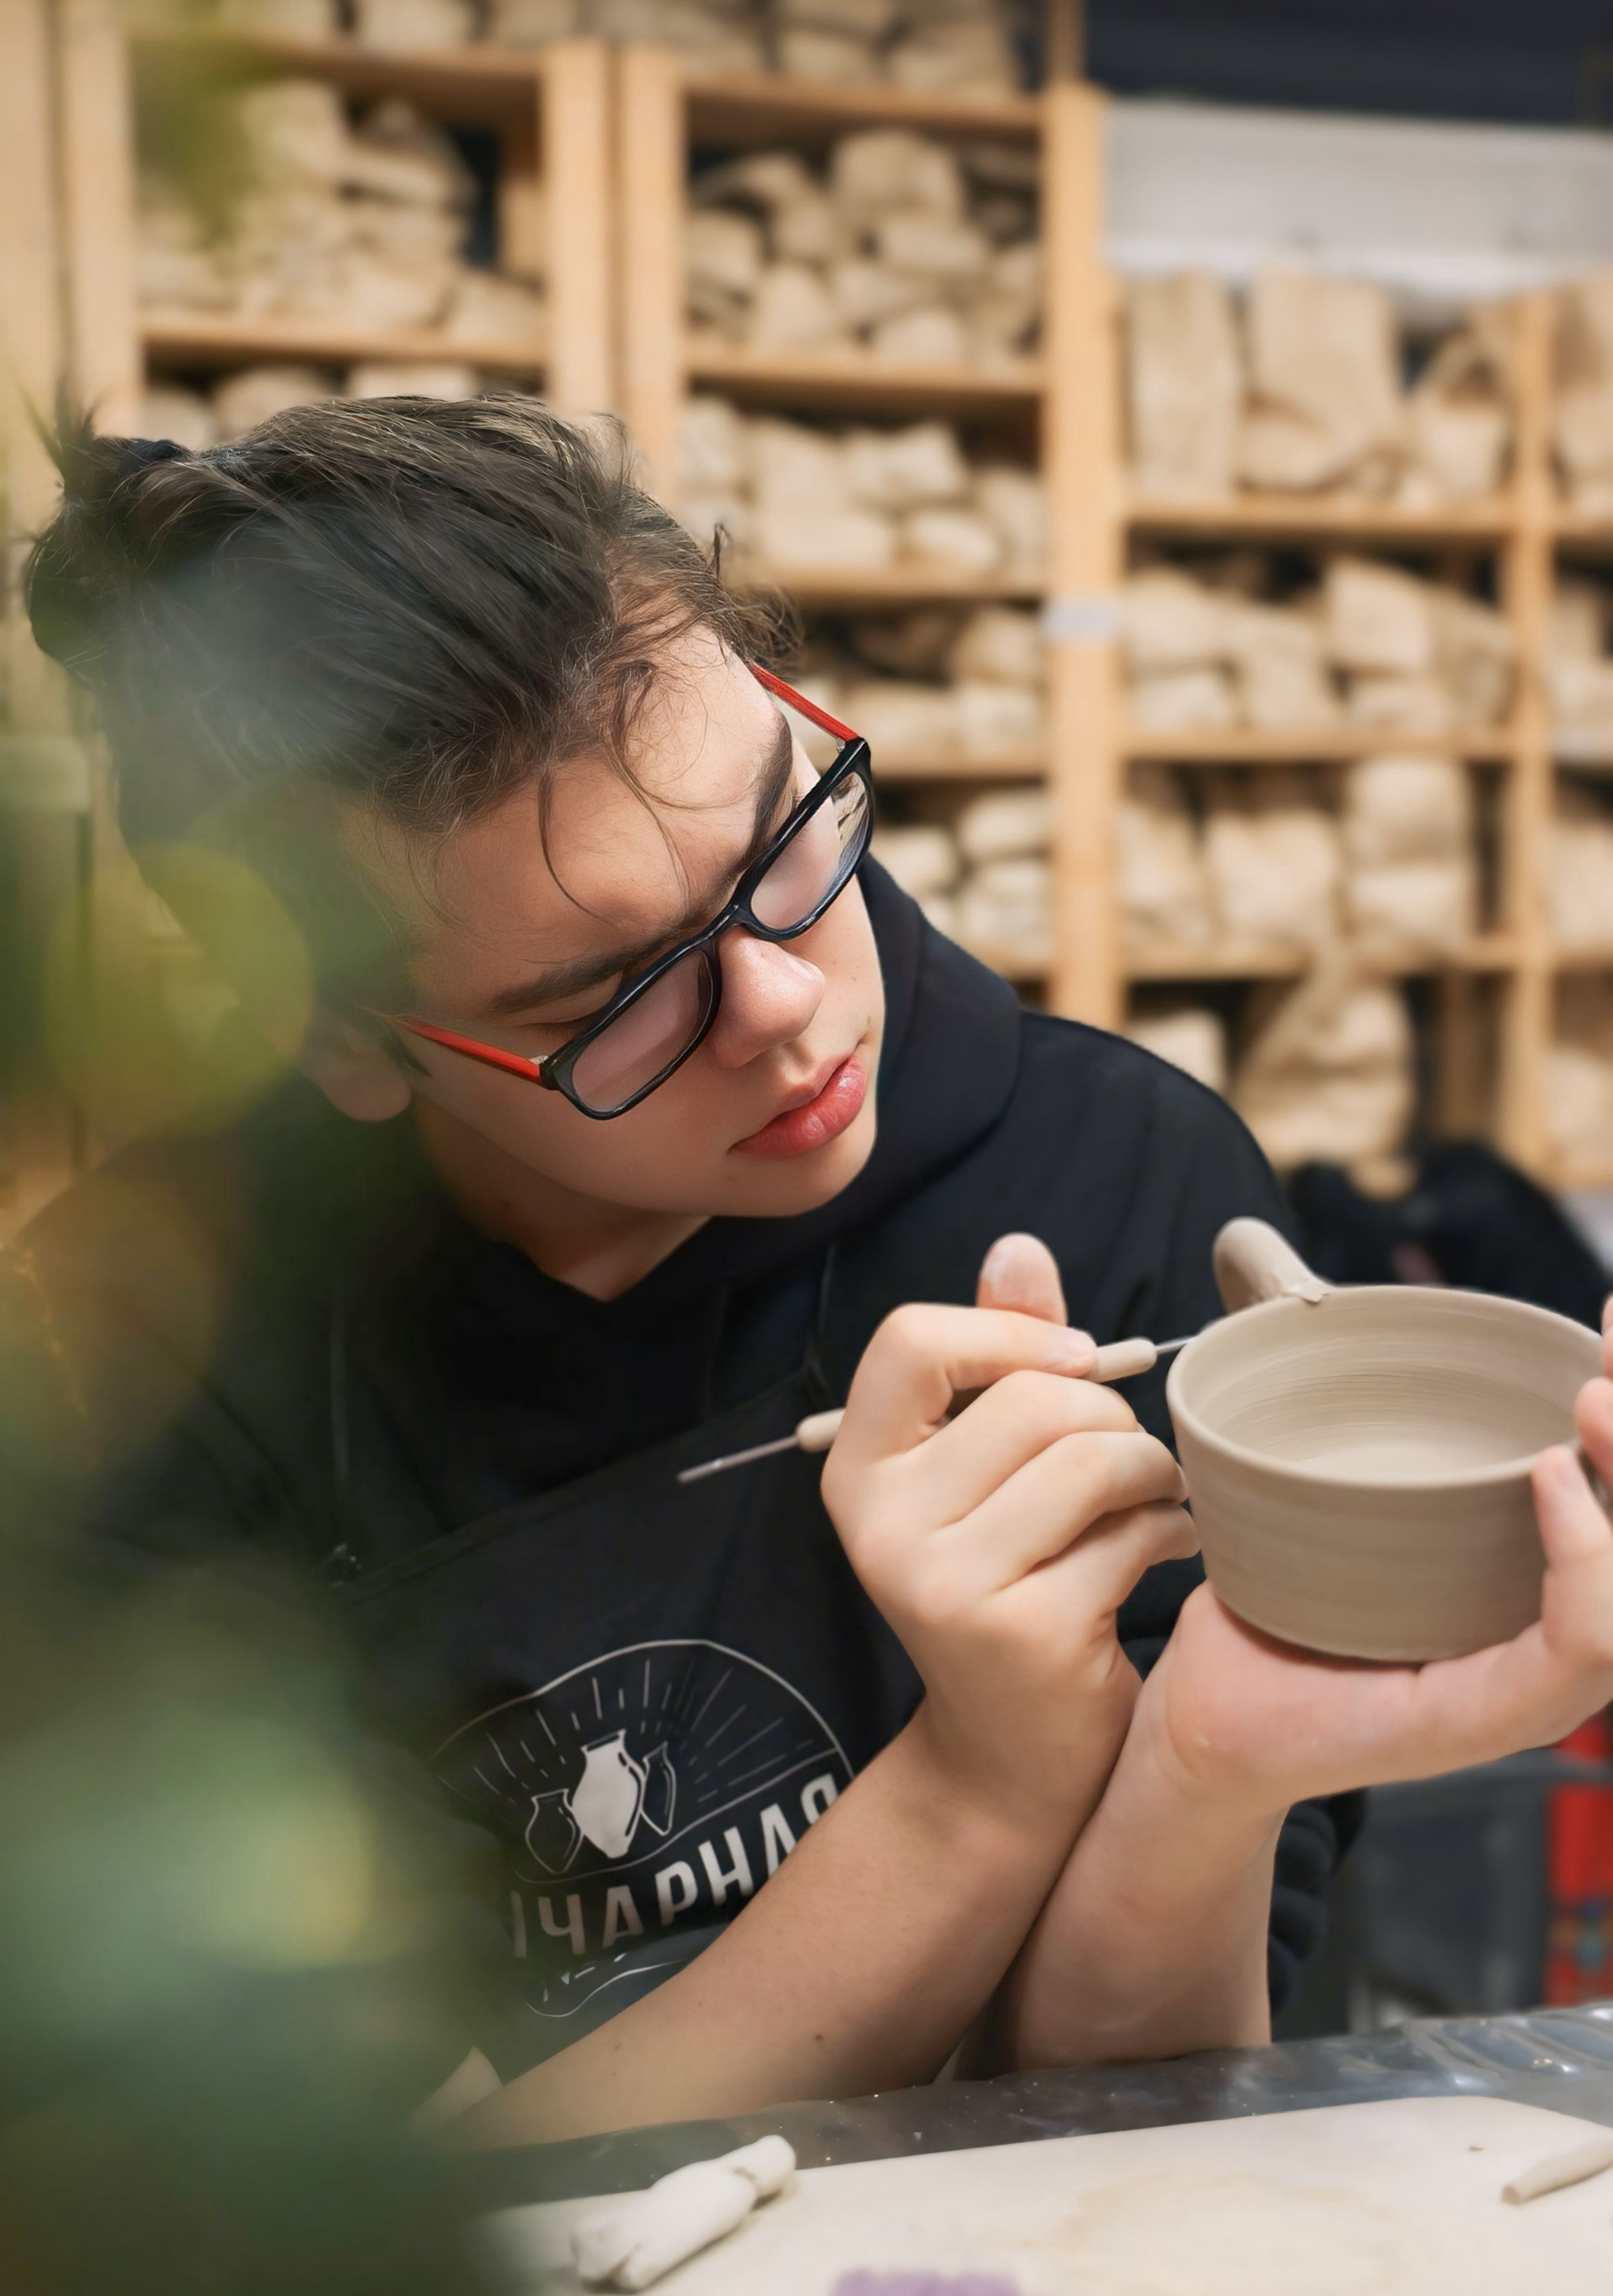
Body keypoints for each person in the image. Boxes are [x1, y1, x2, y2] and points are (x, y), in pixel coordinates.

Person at [7, 399, 1612, 2146]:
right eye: (609, 997)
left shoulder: (1114, 1167)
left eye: (783, 840)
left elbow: (1133, 2107)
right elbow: (366, 2201)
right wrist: (981, 1777)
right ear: (343, 1042)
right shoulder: (147, 1332)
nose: (781, 1010)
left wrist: (1198, 1770)